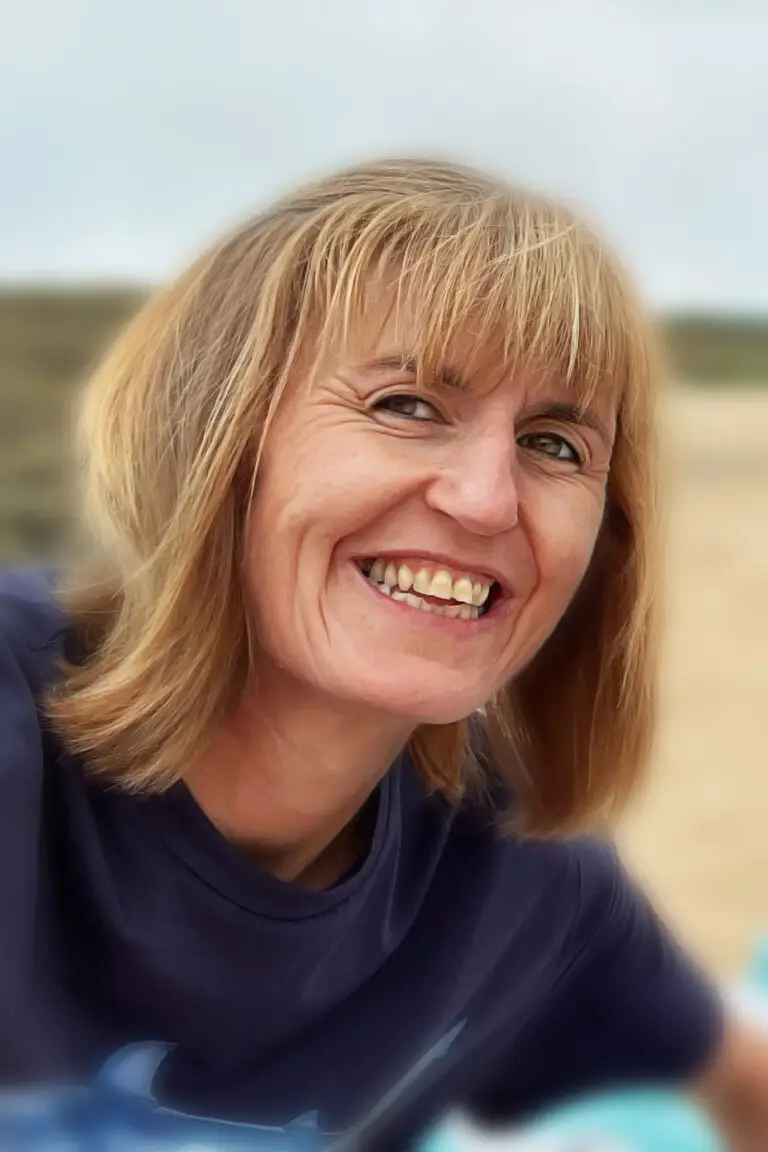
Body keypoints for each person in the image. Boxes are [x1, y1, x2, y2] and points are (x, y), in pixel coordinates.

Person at [0, 157, 766, 1151]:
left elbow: (744, 1091)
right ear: (215, 436)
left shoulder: (515, 872)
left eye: (555, 444)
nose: (487, 499)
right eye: (406, 406)